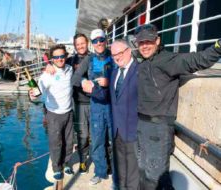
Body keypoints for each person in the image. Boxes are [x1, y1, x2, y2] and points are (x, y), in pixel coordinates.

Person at [134, 24, 221, 189]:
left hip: (157, 129)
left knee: (156, 178)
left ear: (157, 40)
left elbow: (197, 60)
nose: (144, 46)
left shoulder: (168, 60)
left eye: (148, 41)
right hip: (140, 125)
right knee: (142, 172)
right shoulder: (142, 62)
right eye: (141, 42)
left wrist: (218, 47)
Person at [44, 33, 91, 174]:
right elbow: (58, 61)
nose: (80, 46)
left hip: (95, 101)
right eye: (77, 44)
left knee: (97, 134)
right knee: (81, 135)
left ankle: (97, 161)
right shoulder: (70, 61)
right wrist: (48, 65)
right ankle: (81, 162)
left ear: (87, 43)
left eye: (83, 43)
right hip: (78, 102)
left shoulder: (94, 58)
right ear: (75, 46)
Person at [72, 29, 113, 185]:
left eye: (101, 40)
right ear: (92, 43)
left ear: (105, 40)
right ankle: (100, 172)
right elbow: (75, 78)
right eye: (95, 41)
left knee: (113, 141)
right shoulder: (88, 59)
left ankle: (114, 171)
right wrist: (83, 82)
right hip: (96, 105)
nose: (98, 43)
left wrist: (109, 81)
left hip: (113, 105)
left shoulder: (114, 55)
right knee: (97, 140)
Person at [30, 44, 74, 181]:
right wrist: (32, 95)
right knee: (56, 142)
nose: (60, 59)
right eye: (56, 57)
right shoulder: (47, 74)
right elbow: (38, 91)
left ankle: (66, 163)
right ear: (52, 59)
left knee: (69, 141)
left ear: (66, 56)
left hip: (69, 112)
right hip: (54, 114)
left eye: (62, 56)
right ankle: (56, 167)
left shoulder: (70, 68)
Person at [110, 40, 139, 190]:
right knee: (119, 169)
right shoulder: (114, 72)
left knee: (133, 175)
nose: (116, 57)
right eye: (113, 55)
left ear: (128, 51)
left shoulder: (140, 70)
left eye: (119, 53)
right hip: (116, 131)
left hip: (133, 132)